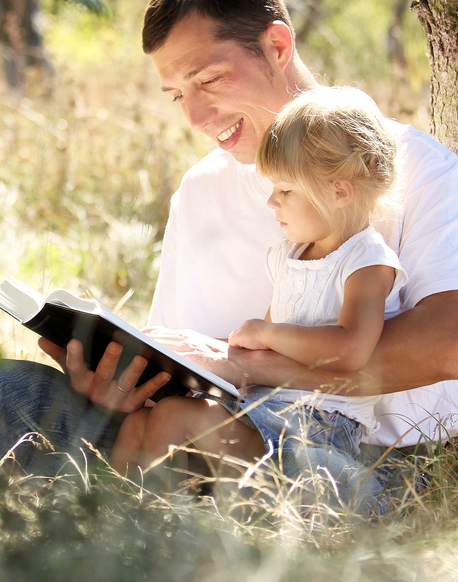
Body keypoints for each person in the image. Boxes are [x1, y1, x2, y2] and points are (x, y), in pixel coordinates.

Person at [0, 0, 458, 500]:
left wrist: (253, 367)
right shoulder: (202, 191)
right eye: (176, 94)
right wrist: (116, 384)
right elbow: (190, 364)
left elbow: (451, 346)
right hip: (196, 434)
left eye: (209, 80)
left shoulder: (407, 169)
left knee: (198, 457)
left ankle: (122, 521)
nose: (197, 115)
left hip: (359, 464)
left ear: (277, 46)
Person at [109, 86, 408, 506]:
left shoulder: (366, 261)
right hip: (265, 407)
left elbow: (351, 349)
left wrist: (267, 334)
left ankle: (158, 532)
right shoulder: (288, 256)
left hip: (317, 430)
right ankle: (110, 522)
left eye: (286, 190)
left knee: (176, 418)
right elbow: (259, 359)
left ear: (340, 192)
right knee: (141, 422)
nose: (272, 202)